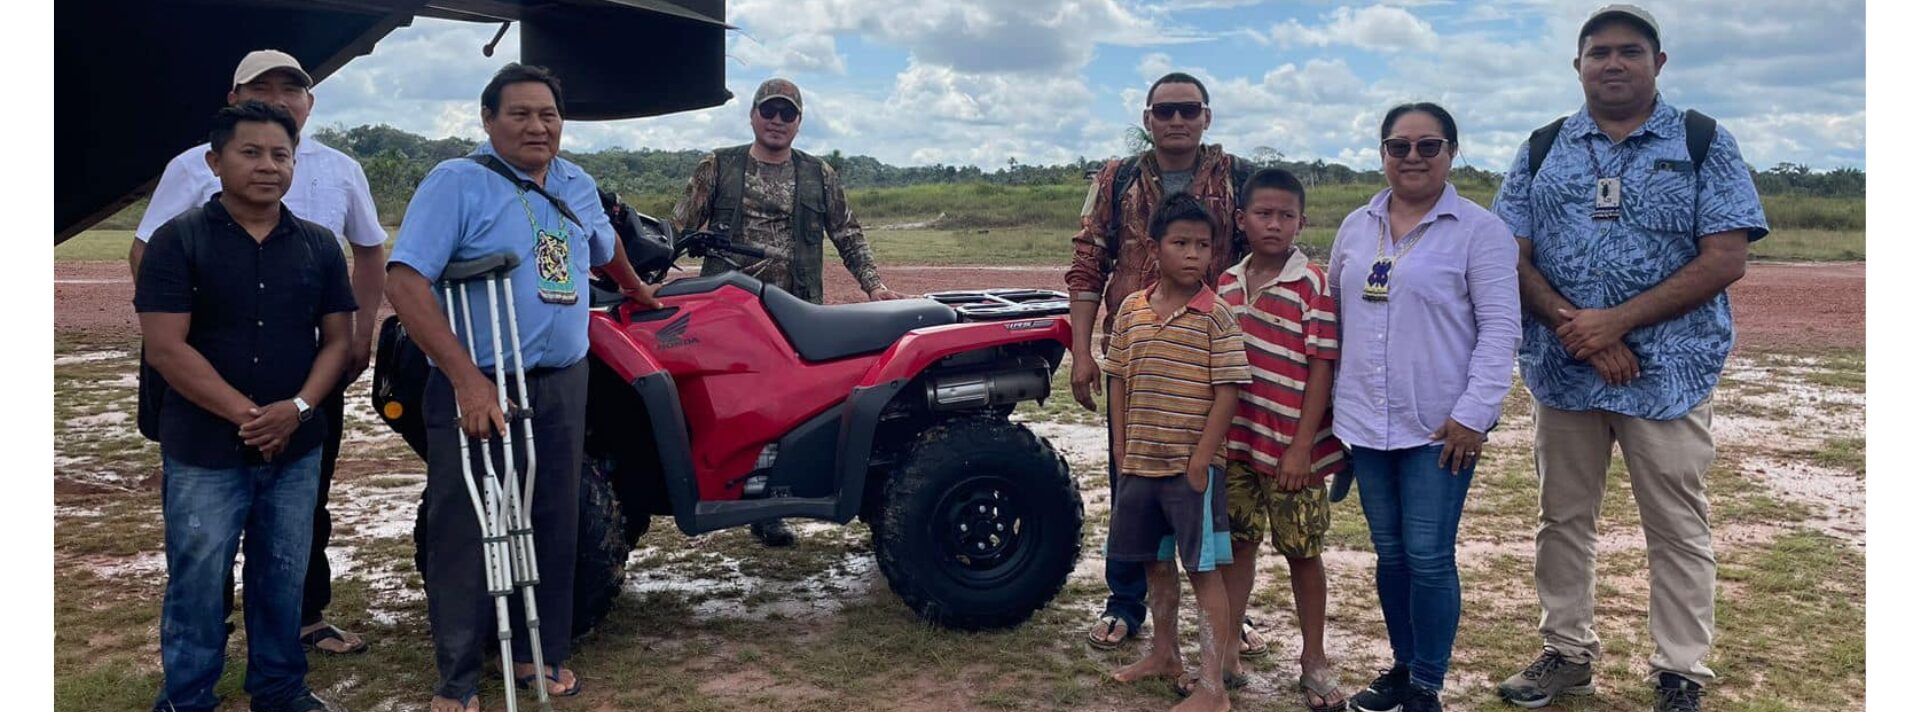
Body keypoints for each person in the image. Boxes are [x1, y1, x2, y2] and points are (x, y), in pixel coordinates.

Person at [1490, 6, 1768, 711]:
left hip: (1670, 374)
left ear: (1659, 63)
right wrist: (1575, 326)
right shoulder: (1544, 146)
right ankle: (1565, 653)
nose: (1613, 63)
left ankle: (1680, 671)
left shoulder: (1703, 141)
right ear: (1577, 65)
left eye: (1630, 51)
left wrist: (1617, 322)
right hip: (1565, 369)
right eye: (1599, 52)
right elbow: (1507, 253)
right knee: (1562, 519)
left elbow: (1725, 257)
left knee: (1676, 524)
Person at [384, 63, 657, 712]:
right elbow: (404, 282)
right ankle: (457, 681)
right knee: (466, 521)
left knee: (555, 514)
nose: (538, 126)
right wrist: (468, 383)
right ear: (488, 120)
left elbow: (602, 244)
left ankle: (544, 654)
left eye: (549, 115)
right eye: (520, 114)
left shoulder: (574, 181)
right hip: (478, 379)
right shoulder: (456, 183)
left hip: (563, 377)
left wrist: (639, 290)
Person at [131, 49, 388, 656]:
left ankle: (303, 620)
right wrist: (176, 335)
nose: (278, 97)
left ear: (310, 102)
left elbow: (370, 252)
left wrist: (359, 334)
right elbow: (147, 253)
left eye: (291, 87)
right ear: (232, 99)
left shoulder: (341, 168)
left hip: (306, 371)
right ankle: (206, 635)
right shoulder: (193, 167)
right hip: (210, 372)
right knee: (205, 523)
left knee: (304, 501)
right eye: (261, 86)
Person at [1333, 103, 1521, 712]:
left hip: (1440, 427)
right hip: (1365, 423)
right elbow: (1334, 321)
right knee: (1389, 556)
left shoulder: (1478, 230)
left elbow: (1500, 330)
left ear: (1452, 152)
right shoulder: (1356, 227)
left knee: (1429, 556)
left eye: (1427, 146)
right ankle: (1403, 666)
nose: (1412, 158)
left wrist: (1474, 414)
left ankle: (1426, 687)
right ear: (1382, 153)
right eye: (1398, 146)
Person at [1067, 71, 1259, 653]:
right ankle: (1126, 604)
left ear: (1207, 116)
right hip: (1139, 360)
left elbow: (1266, 260)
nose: (1177, 120)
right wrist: (1082, 351)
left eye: (1189, 110)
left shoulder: (1237, 179)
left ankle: (1225, 616)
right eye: (1165, 110)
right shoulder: (1116, 178)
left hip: (1210, 360)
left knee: (1209, 489)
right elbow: (1086, 262)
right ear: (1147, 118)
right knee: (1133, 482)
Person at [670, 77, 901, 547]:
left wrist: (874, 285)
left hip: (797, 315)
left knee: (786, 410)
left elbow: (847, 233)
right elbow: (677, 227)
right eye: (769, 111)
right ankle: (713, 487)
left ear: (798, 122)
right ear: (753, 115)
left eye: (787, 113)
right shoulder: (718, 167)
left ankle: (769, 505)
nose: (777, 121)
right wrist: (636, 274)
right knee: (728, 406)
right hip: (729, 313)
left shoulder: (820, 175)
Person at [1103, 192, 1250, 712]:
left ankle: (1212, 687)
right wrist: (1121, 449)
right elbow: (1117, 378)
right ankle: (1164, 653)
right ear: (1154, 247)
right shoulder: (1131, 310)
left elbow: (1230, 389)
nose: (1193, 255)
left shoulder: (1217, 317)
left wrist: (1201, 459)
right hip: (1140, 465)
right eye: (1180, 243)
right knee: (1154, 563)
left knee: (1203, 570)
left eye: (1203, 246)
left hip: (1192, 473)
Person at [1215, 168, 1348, 711]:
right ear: (1241, 220)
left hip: (1296, 451)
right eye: (1263, 214)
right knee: (1238, 545)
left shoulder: (1313, 284)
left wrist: (1300, 447)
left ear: (1301, 221)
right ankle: (1225, 653)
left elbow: (1321, 367)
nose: (1274, 224)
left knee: (1302, 552)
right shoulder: (1225, 284)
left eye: (1285, 216)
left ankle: (1313, 659)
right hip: (1240, 444)